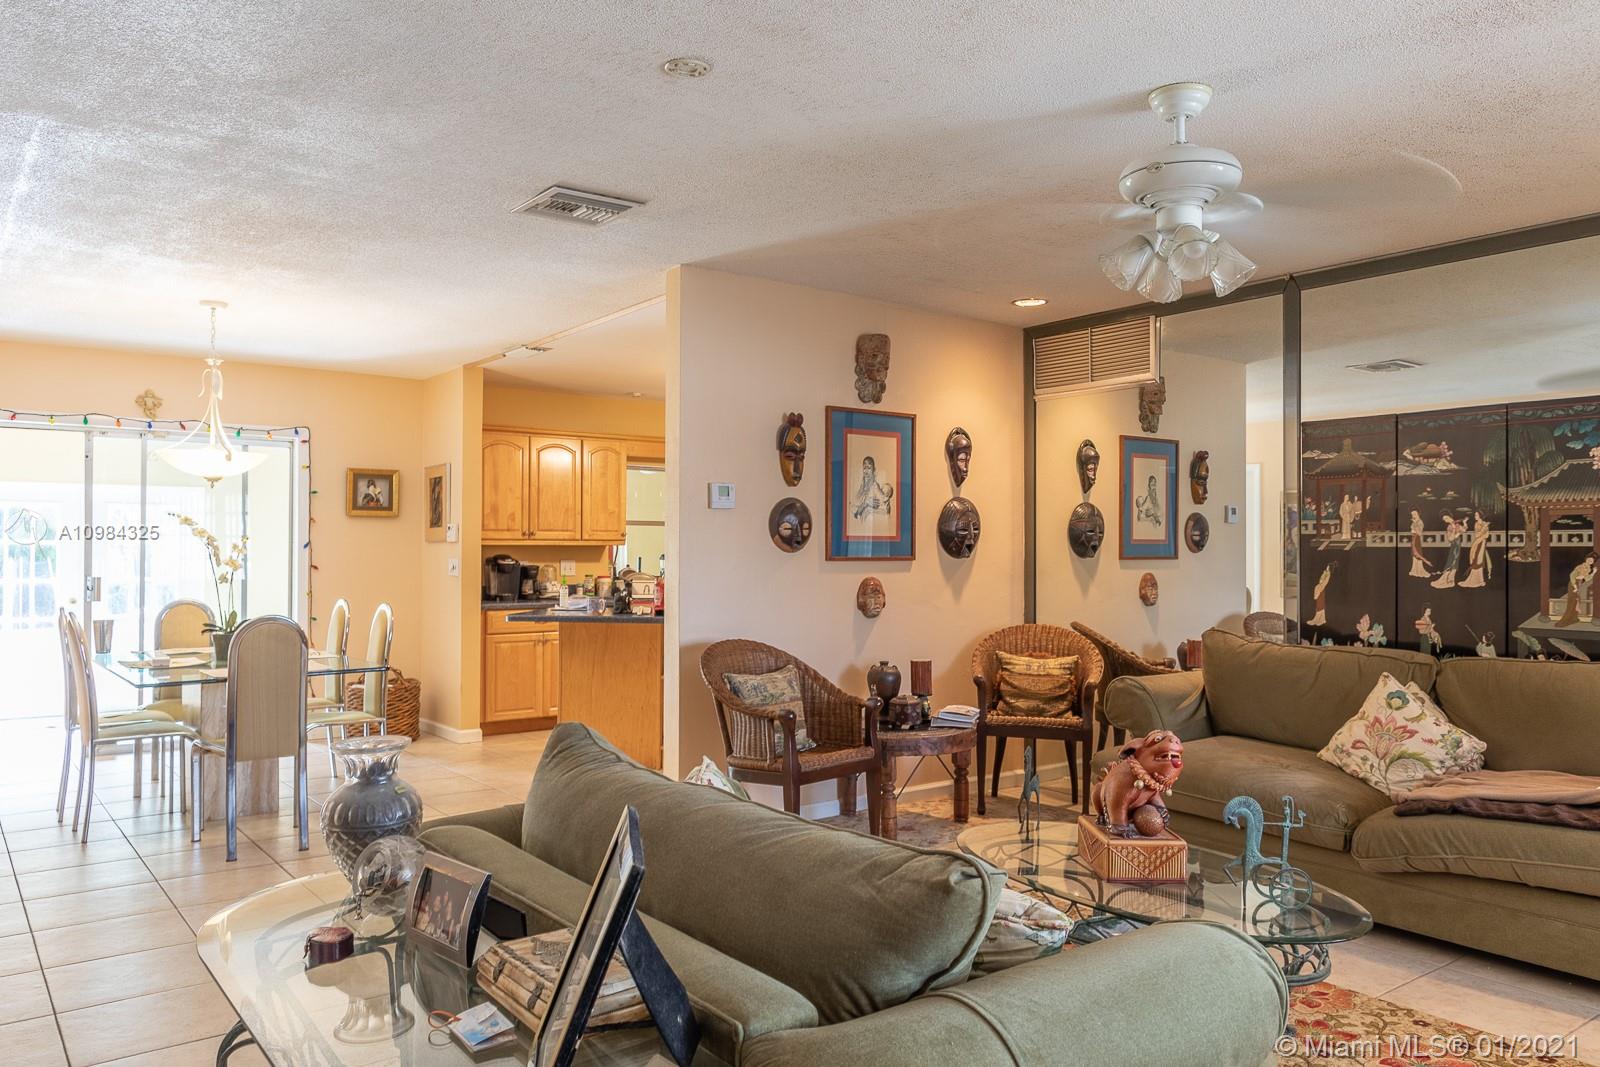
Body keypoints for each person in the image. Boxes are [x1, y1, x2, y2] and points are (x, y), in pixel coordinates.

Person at [1556, 553, 1598, 627]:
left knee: (1576, 601)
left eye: (1591, 561)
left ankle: (1574, 618)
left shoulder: (1588, 568)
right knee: (1572, 602)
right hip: (1573, 583)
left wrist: (1593, 573)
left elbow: (1587, 578)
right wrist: (1574, 585)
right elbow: (1572, 575)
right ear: (1586, 559)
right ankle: (1564, 620)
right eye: (1589, 559)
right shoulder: (1580, 566)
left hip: (1579, 584)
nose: (1590, 561)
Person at [850, 456, 894, 521]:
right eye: (865, 468)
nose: (866, 471)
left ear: (874, 470)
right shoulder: (861, 485)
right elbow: (852, 504)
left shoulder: (875, 486)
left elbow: (885, 508)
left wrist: (866, 504)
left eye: (869, 468)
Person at [1459, 510, 1493, 589]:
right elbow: (1477, 535)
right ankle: (1474, 579)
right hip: (1477, 543)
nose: (1475, 516)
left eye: (1476, 515)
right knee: (1475, 559)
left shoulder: (1484, 523)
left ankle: (1480, 580)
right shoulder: (1477, 524)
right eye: (1475, 515)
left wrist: (1483, 531)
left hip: (1482, 543)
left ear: (1480, 516)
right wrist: (1483, 529)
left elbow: (1487, 535)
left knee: (1479, 561)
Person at [1430, 513, 1464, 589]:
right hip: (1454, 545)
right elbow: (1450, 539)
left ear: (1450, 516)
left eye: (1446, 518)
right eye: (1444, 519)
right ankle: (1446, 580)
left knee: (1454, 562)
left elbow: (1463, 530)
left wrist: (1463, 524)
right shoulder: (1449, 527)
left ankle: (1450, 581)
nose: (1446, 520)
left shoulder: (1457, 524)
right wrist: (1455, 531)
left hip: (1457, 545)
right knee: (1451, 562)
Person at [1407, 510, 1434, 578]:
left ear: (1418, 514)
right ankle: (1414, 570)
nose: (1413, 516)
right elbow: (1412, 530)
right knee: (1413, 554)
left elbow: (1419, 533)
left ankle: (1419, 571)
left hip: (1417, 539)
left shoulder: (1420, 522)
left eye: (1414, 514)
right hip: (1413, 539)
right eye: (1412, 514)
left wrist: (1415, 524)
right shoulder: (1415, 521)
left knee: (1418, 553)